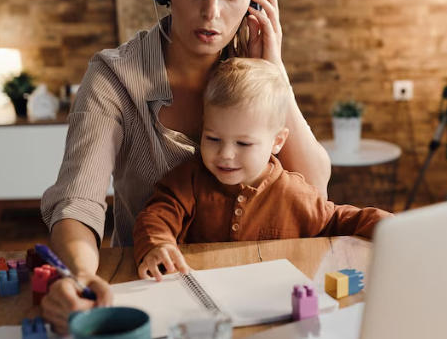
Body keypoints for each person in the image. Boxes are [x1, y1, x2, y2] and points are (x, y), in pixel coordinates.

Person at [39, 0, 332, 333]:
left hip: (259, 289)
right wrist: (79, 275)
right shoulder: (114, 77)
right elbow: (79, 201)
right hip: (152, 286)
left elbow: (314, 186)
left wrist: (274, 69)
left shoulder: (255, 70)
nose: (211, 12)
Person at [134, 58, 393, 281]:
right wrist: (158, 245)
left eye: (243, 143)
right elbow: (155, 216)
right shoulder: (187, 181)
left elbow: (339, 220)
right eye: (213, 138)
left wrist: (394, 228)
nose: (225, 154)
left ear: (277, 141)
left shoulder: (294, 194)